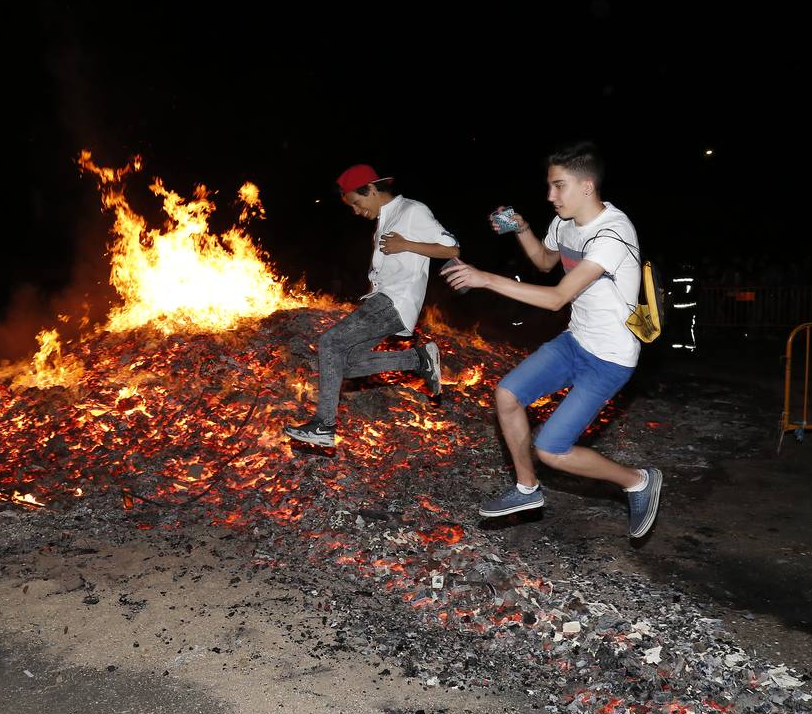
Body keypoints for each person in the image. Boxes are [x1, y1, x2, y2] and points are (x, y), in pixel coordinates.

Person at [442, 142, 662, 538]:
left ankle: (637, 480)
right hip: (576, 340)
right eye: (549, 186)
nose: (550, 196)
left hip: (610, 358)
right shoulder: (563, 222)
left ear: (587, 186)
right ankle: (528, 489)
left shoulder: (613, 233)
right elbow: (545, 261)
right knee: (507, 395)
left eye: (559, 186)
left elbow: (558, 296)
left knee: (552, 449)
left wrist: (485, 278)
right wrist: (522, 228)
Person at [284, 164, 460, 447]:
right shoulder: (384, 221)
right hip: (383, 299)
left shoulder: (412, 211)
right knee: (346, 364)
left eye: (357, 202)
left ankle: (324, 426)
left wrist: (407, 245)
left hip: (395, 299)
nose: (356, 210)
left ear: (373, 189)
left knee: (329, 343)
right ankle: (418, 359)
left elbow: (452, 248)